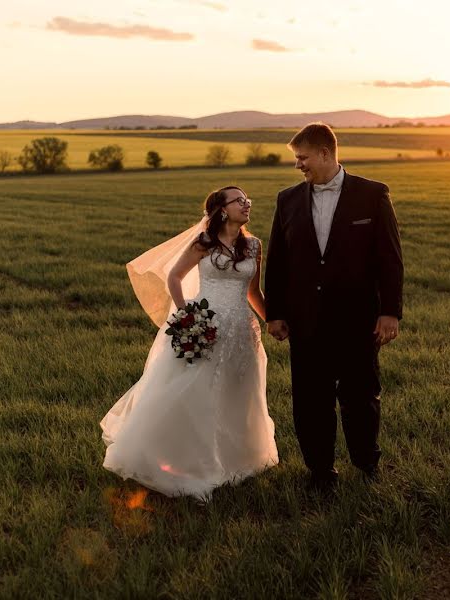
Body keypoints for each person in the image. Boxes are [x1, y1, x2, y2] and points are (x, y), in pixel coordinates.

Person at [100, 186, 278, 501]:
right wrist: (187, 317)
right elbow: (174, 277)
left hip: (241, 332)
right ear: (222, 210)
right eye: (240, 201)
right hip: (204, 328)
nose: (247, 204)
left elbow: (253, 292)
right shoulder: (203, 243)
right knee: (196, 394)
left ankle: (234, 461)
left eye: (247, 200)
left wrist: (272, 320)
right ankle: (188, 462)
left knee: (238, 393)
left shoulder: (253, 246)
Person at [265, 123, 403, 490]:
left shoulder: (372, 195)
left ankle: (366, 464)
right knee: (310, 400)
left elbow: (390, 258)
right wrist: (274, 313)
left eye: (303, 158)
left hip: (359, 320)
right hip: (306, 321)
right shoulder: (287, 200)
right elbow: (278, 261)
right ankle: (321, 471)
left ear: (325, 154)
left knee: (361, 396)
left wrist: (390, 312)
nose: (299, 166)